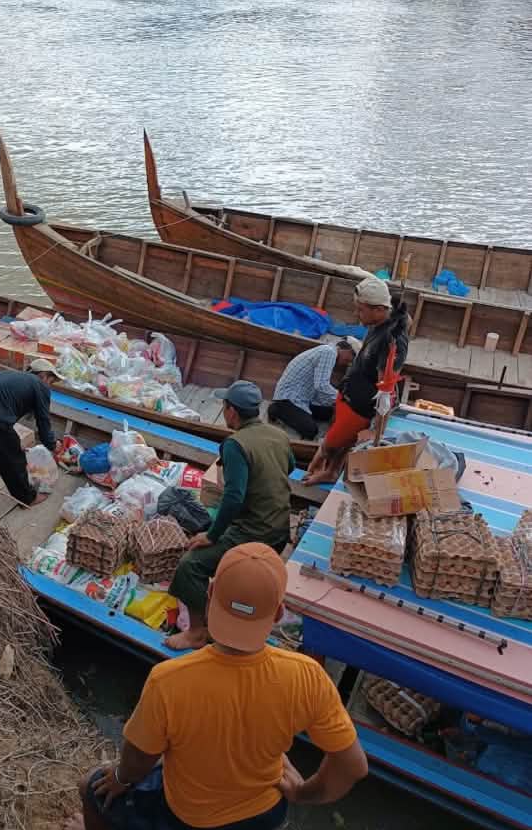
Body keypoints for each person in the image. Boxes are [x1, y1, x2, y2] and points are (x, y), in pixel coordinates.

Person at [64, 544, 368, 830]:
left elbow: (138, 758)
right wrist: (303, 792)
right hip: (262, 812)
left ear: (209, 596)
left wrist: (120, 778)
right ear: (279, 613)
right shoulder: (308, 677)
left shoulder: (170, 679)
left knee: (92, 787)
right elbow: (352, 766)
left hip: (185, 820)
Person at [167, 380, 293, 651]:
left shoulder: (235, 444)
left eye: (224, 407)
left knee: (191, 565)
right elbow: (289, 467)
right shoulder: (279, 435)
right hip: (281, 529)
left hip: (254, 531)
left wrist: (212, 535)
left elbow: (233, 497)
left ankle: (197, 633)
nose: (224, 412)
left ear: (232, 411)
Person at [305, 277, 409, 486]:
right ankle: (331, 471)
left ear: (380, 309)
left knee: (331, 445)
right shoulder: (383, 319)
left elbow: (386, 392)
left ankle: (328, 470)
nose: (357, 314)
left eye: (361, 310)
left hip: (359, 407)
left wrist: (375, 430)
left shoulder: (392, 342)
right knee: (339, 442)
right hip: (349, 392)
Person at [0, 359, 61, 506]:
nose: (49, 386)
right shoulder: (40, 385)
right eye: (51, 381)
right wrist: (52, 444)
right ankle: (28, 498)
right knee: (13, 461)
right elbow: (43, 420)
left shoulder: (8, 375)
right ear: (43, 375)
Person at [268, 338, 361, 439]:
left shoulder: (327, 350)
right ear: (347, 350)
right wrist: (343, 399)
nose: (347, 363)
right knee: (311, 430)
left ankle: (291, 412)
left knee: (328, 413)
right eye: (348, 360)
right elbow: (321, 385)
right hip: (288, 398)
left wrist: (335, 402)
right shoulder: (329, 353)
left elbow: (319, 388)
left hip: (303, 397)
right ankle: (276, 409)